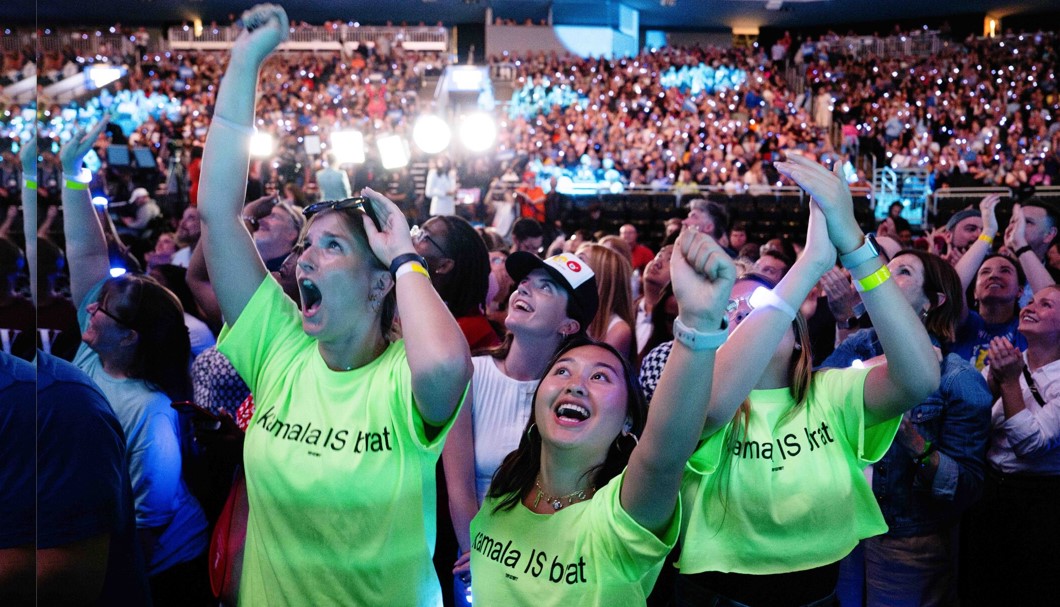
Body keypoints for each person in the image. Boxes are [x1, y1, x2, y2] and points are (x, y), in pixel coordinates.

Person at [198, 6, 472, 604]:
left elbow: (450, 367)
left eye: (331, 247)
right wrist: (244, 62)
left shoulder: (403, 377)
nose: (304, 260)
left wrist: (405, 257)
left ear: (380, 286)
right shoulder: (280, 348)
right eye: (304, 245)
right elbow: (218, 214)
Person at [644, 153, 940, 605]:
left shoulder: (831, 393)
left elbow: (918, 377)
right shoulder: (696, 393)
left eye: (761, 303)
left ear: (800, 338)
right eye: (731, 313)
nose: (745, 315)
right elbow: (714, 405)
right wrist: (811, 264)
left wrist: (857, 249)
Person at [469, 226, 734, 604]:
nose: (575, 384)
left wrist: (698, 325)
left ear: (628, 420)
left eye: (599, 377)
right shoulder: (505, 490)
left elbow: (664, 455)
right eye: (562, 371)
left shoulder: (621, 515)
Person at [59, 117, 210, 605]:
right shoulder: (93, 345)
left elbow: (147, 526)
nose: (91, 308)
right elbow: (85, 252)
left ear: (131, 338)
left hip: (166, 571)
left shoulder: (151, 414)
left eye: (104, 308)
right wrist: (72, 177)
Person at [824, 250, 992, 606]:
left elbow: (967, 487)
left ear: (933, 301)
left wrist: (908, 436)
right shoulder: (858, 344)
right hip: (843, 526)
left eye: (901, 272)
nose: (883, 277)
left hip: (906, 538)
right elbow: (811, 401)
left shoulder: (958, 380)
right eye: (884, 270)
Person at [443, 251, 599, 597]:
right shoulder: (470, 373)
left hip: (548, 562)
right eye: (524, 283)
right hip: (474, 557)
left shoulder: (576, 397)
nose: (524, 290)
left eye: (545, 288)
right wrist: (478, 551)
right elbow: (460, 486)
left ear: (569, 325)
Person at [961, 285, 1060, 606]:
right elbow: (974, 426)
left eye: (1045, 305)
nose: (1030, 307)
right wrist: (992, 382)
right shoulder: (1008, 361)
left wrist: (1008, 382)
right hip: (990, 491)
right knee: (978, 583)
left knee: (1024, 588)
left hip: (1037, 502)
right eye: (1031, 301)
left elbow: (1031, 445)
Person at [578, 243, 637, 361]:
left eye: (580, 260)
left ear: (600, 275)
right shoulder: (570, 308)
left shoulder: (618, 329)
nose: (569, 264)